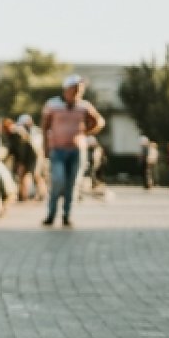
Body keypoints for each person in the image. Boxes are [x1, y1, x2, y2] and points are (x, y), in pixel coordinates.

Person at [41, 74, 105, 226]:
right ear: (66, 89)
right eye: (75, 88)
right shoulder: (53, 105)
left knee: (72, 183)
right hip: (57, 150)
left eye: (80, 89)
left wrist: (86, 131)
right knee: (58, 180)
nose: (77, 91)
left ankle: (66, 215)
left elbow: (99, 121)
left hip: (77, 150)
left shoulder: (84, 106)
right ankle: (51, 214)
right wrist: (45, 147)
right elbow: (45, 127)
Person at [16, 113, 44, 201]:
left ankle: (41, 194)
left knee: (36, 175)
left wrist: (26, 136)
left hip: (36, 157)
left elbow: (36, 146)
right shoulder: (21, 133)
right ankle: (24, 195)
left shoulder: (36, 132)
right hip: (27, 158)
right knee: (23, 176)